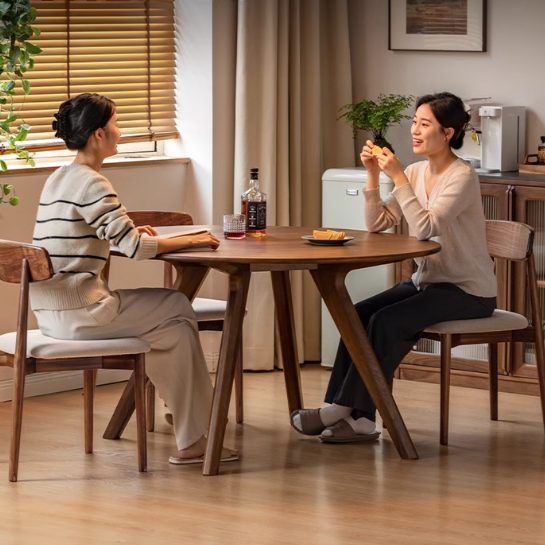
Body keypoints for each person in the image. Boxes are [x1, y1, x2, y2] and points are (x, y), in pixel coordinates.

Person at [31, 93, 237, 464]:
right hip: (82, 311)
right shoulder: (93, 183)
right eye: (115, 125)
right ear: (98, 134)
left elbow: (86, 238)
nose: (120, 132)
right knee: (176, 303)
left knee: (172, 329)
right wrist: (193, 239)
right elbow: (136, 249)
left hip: (49, 312)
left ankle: (192, 436)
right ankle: (193, 427)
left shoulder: (58, 179)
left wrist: (130, 234)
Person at [291, 91, 497, 443]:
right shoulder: (415, 171)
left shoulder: (462, 177)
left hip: (468, 289)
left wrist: (399, 179)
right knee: (354, 313)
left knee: (386, 321)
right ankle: (362, 421)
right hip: (427, 281)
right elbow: (377, 223)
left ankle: (341, 409)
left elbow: (426, 228)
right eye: (414, 122)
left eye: (425, 124)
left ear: (448, 132)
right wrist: (373, 175)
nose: (415, 131)